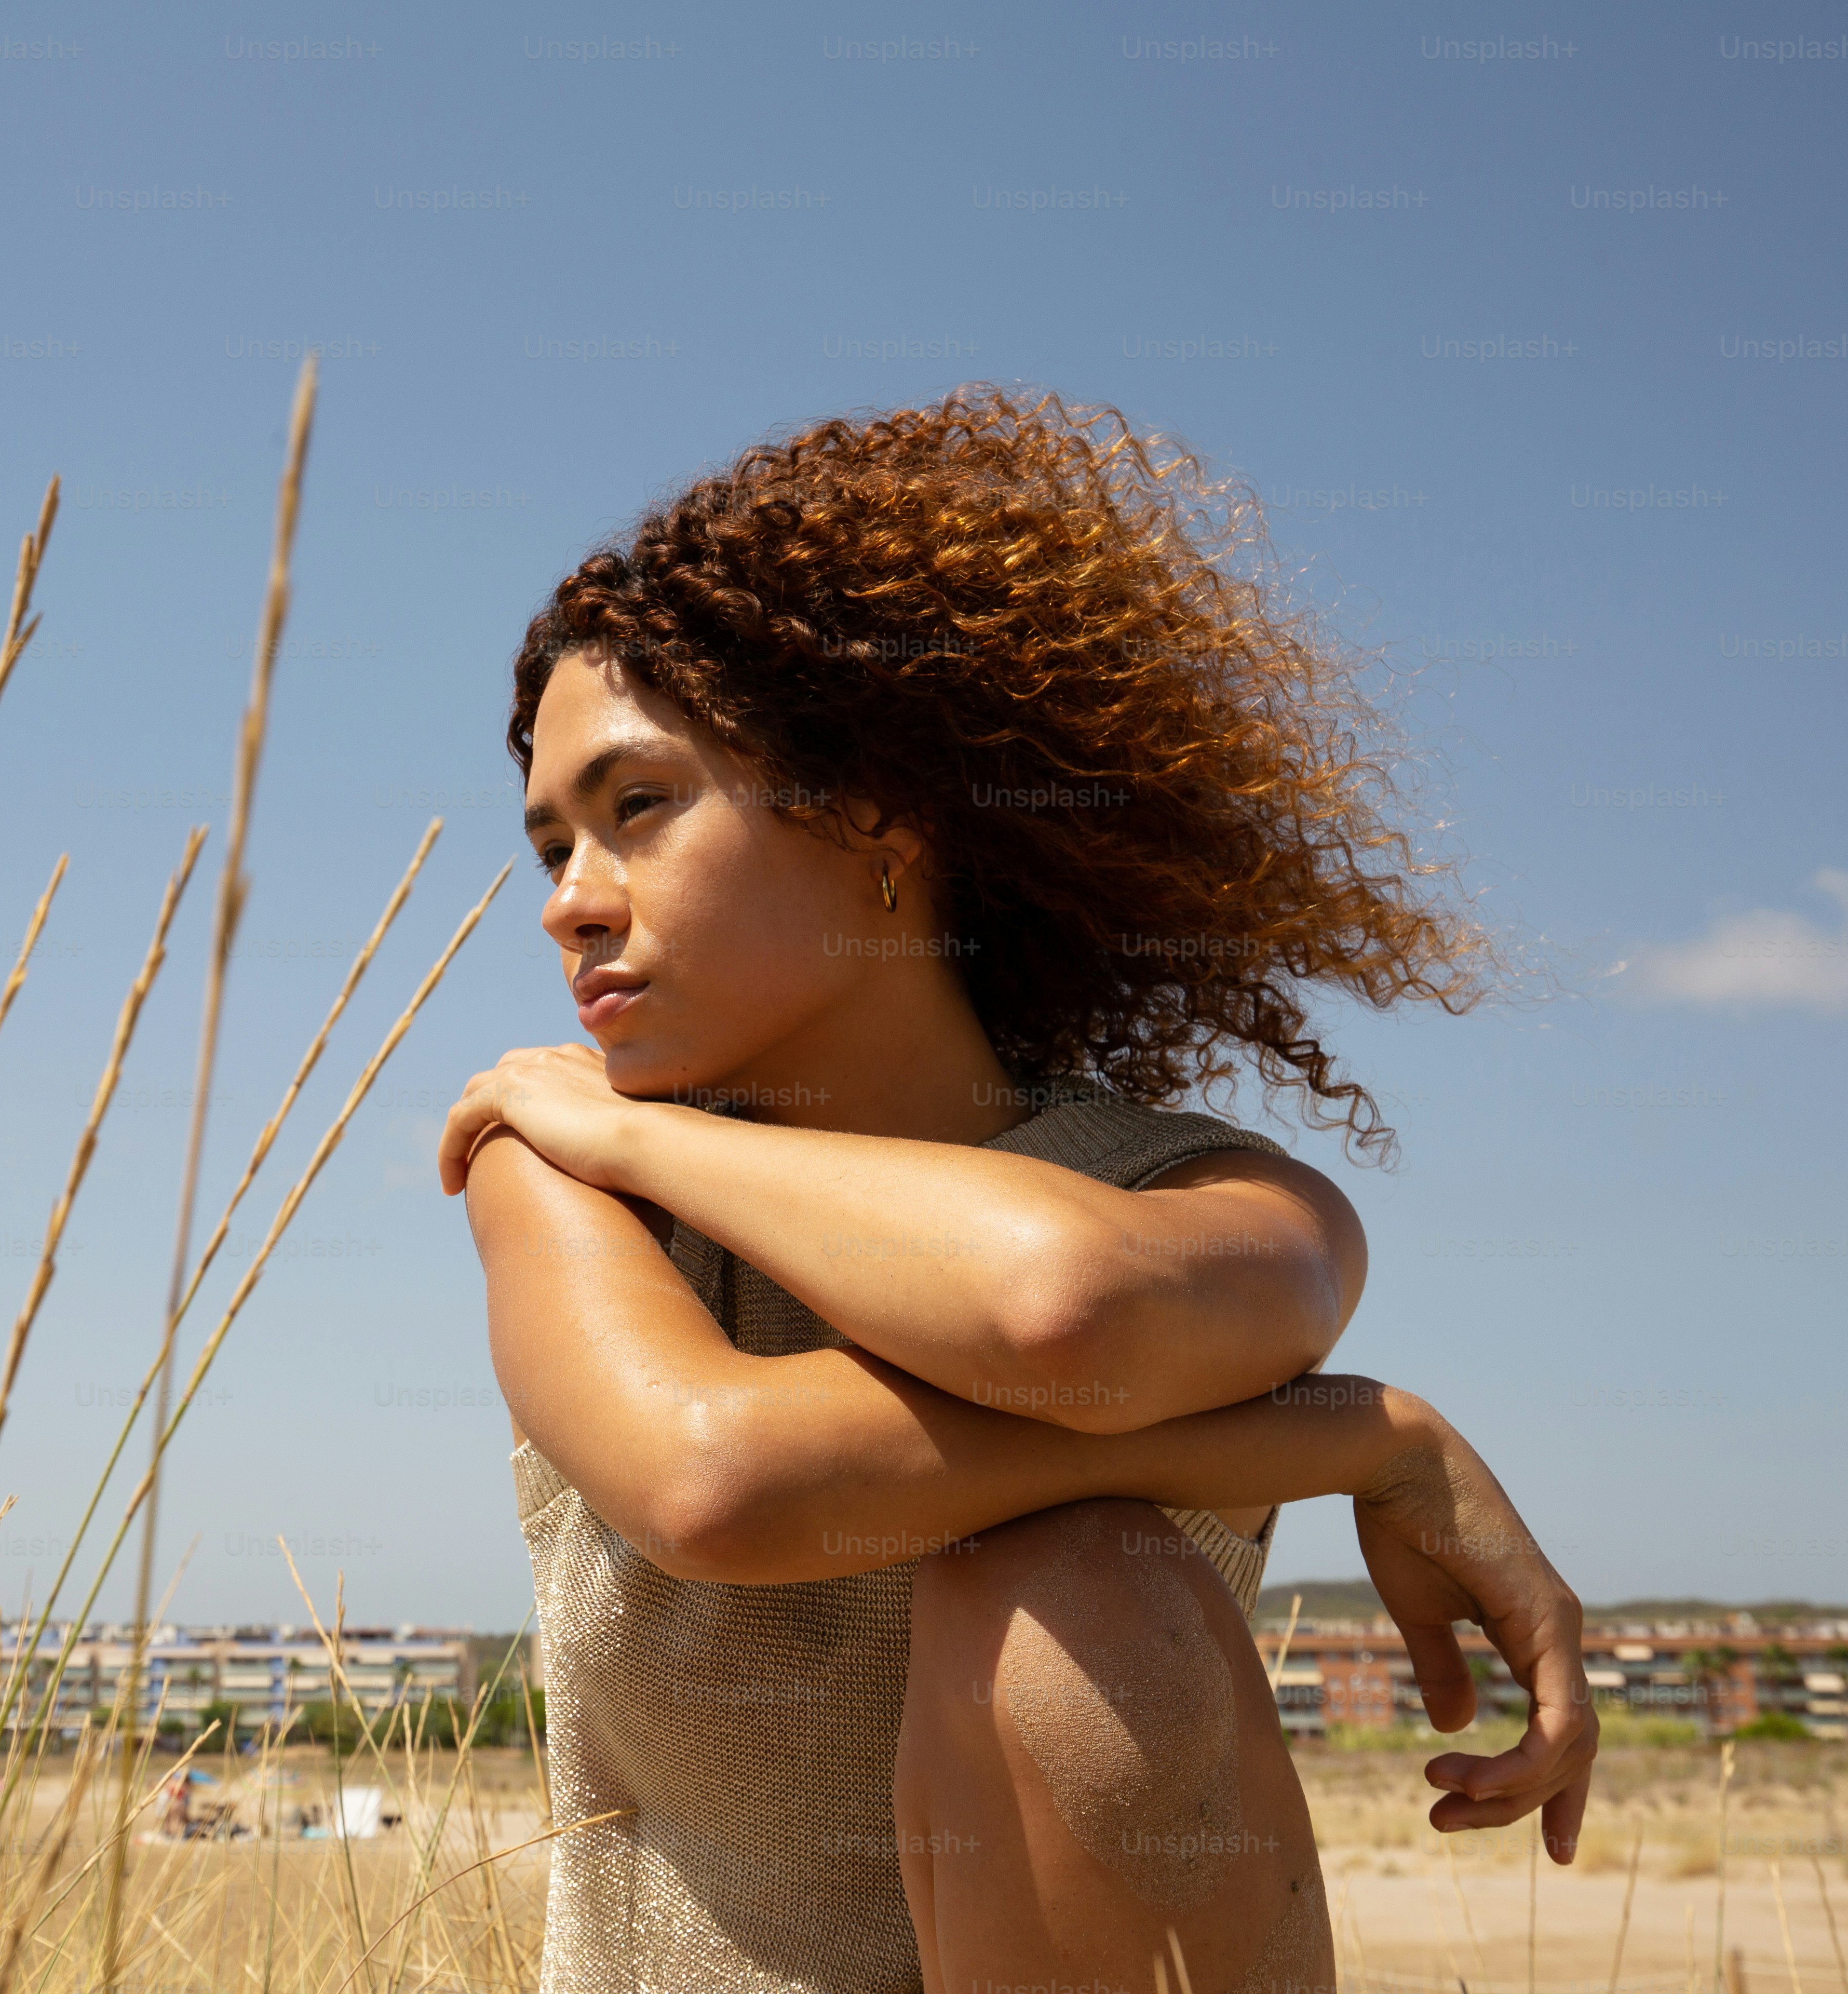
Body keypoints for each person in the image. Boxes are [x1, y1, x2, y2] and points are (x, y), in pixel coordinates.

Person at [436, 391, 1597, 1994]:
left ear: (879, 816)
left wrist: (650, 1135)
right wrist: (1346, 1435)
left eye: (638, 807)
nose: (569, 904)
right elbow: (718, 1483)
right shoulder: (556, 1182)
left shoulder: (1209, 1194)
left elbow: (1065, 1310)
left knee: (1077, 1600)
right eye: (551, 844)